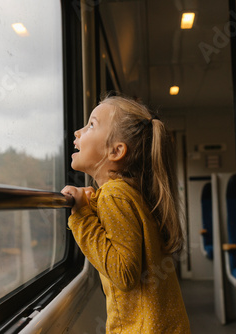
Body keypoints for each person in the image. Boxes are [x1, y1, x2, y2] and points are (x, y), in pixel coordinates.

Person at [61, 94, 191, 333]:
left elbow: (124, 273)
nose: (78, 132)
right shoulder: (128, 194)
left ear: (116, 150)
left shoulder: (114, 195)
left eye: (91, 125)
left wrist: (81, 214)